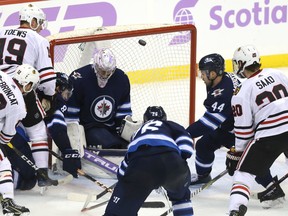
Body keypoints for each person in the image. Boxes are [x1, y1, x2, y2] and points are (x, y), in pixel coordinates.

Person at [226, 45, 288, 216]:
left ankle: (236, 208)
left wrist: (239, 154)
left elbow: (244, 130)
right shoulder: (277, 73)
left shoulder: (242, 91)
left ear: (240, 63)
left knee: (243, 173)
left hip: (269, 134)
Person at [0, 3, 56, 187]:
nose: (40, 28)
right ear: (32, 22)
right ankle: (42, 176)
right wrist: (49, 96)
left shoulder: (1, 32)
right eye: (39, 23)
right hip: (20, 86)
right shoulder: (38, 40)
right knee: (38, 131)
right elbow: (47, 76)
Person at [103, 106, 194, 216]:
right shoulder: (171, 125)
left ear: (144, 120)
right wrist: (177, 166)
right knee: (181, 196)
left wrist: (124, 185)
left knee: (118, 212)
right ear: (164, 118)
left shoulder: (137, 133)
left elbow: (125, 165)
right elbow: (187, 148)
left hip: (142, 166)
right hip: (173, 164)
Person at [186, 53, 241, 184]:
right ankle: (203, 176)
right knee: (203, 145)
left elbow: (207, 124)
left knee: (248, 162)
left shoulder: (223, 93)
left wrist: (183, 134)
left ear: (213, 74)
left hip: (241, 133)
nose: (201, 76)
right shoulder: (223, 79)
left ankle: (270, 185)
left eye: (203, 73)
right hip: (228, 126)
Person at [65, 48, 132, 149]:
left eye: (108, 71)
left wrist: (124, 132)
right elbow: (71, 116)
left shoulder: (121, 79)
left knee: (131, 147)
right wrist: (77, 138)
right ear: (95, 66)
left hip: (111, 129)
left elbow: (123, 112)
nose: (105, 75)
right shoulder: (78, 79)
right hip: (88, 128)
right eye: (102, 71)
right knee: (111, 146)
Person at [0, 64, 39, 215]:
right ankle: (8, 203)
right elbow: (6, 137)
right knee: (3, 164)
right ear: (27, 84)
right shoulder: (20, 106)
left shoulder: (2, 75)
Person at [44, 72, 81, 178]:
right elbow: (57, 128)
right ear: (58, 88)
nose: (67, 97)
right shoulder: (56, 102)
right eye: (66, 93)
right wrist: (68, 151)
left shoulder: (53, 99)